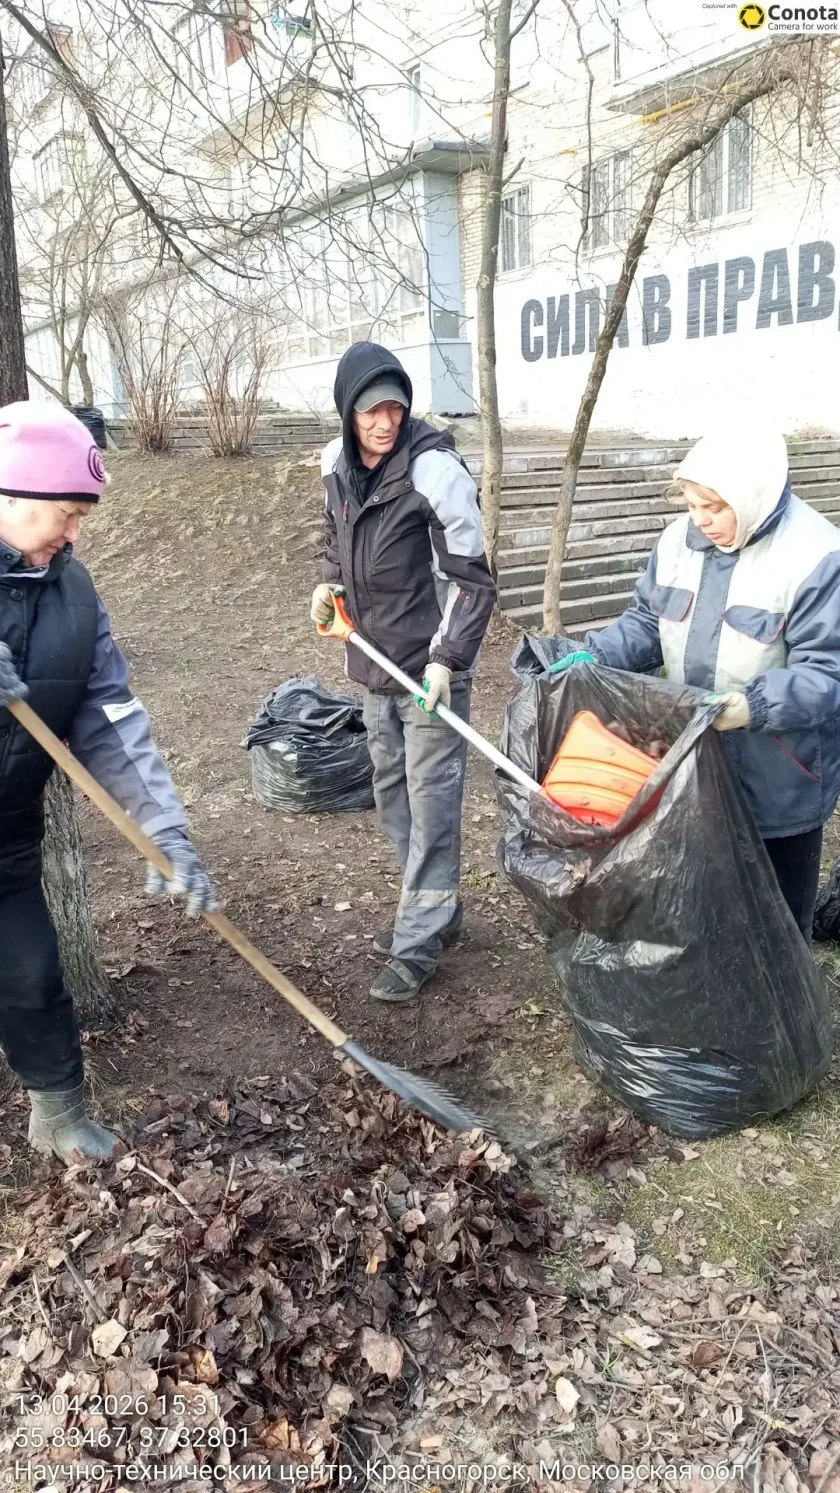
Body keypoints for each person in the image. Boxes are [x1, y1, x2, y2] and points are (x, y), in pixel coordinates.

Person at [0, 401, 218, 1162]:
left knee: (32, 977)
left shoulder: (74, 594)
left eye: (79, 517)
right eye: (64, 513)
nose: (73, 534)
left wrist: (166, 830)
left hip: (6, 842)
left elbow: (112, 717)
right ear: (10, 494)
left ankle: (58, 1117)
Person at [561, 424, 840, 942]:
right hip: (692, 765)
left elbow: (828, 671)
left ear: (751, 496)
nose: (701, 520)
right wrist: (589, 652)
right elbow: (647, 623)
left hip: (780, 773)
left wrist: (750, 705)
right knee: (707, 908)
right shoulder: (677, 543)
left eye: (713, 506)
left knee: (777, 922)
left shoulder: (816, 556)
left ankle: (783, 1017)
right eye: (692, 505)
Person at [311, 342, 495, 1002]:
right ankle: (439, 907)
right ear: (347, 412)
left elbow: (473, 583)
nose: (384, 421)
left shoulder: (435, 472)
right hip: (375, 669)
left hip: (431, 674)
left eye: (394, 408)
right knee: (392, 797)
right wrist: (329, 589)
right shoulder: (337, 466)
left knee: (432, 801)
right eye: (370, 411)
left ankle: (415, 942)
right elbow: (336, 543)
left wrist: (447, 661)